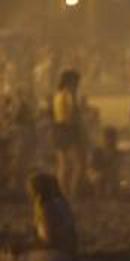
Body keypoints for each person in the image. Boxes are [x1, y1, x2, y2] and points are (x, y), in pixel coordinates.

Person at [1, 173, 77, 261]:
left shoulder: (47, 208)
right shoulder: (61, 203)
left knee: (7, 258)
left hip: (55, 258)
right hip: (68, 255)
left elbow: (48, 241)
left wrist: (23, 246)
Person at [51, 69, 84, 201]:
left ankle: (62, 194)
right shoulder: (69, 95)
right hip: (69, 129)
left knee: (63, 165)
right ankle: (72, 193)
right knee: (79, 164)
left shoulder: (58, 94)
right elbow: (74, 114)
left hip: (58, 128)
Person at [87, 127, 121, 199]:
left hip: (107, 174)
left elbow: (116, 166)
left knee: (111, 177)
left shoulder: (115, 151)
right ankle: (99, 195)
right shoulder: (97, 151)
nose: (112, 140)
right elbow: (92, 167)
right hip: (97, 174)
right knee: (100, 179)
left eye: (113, 138)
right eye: (110, 138)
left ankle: (108, 194)